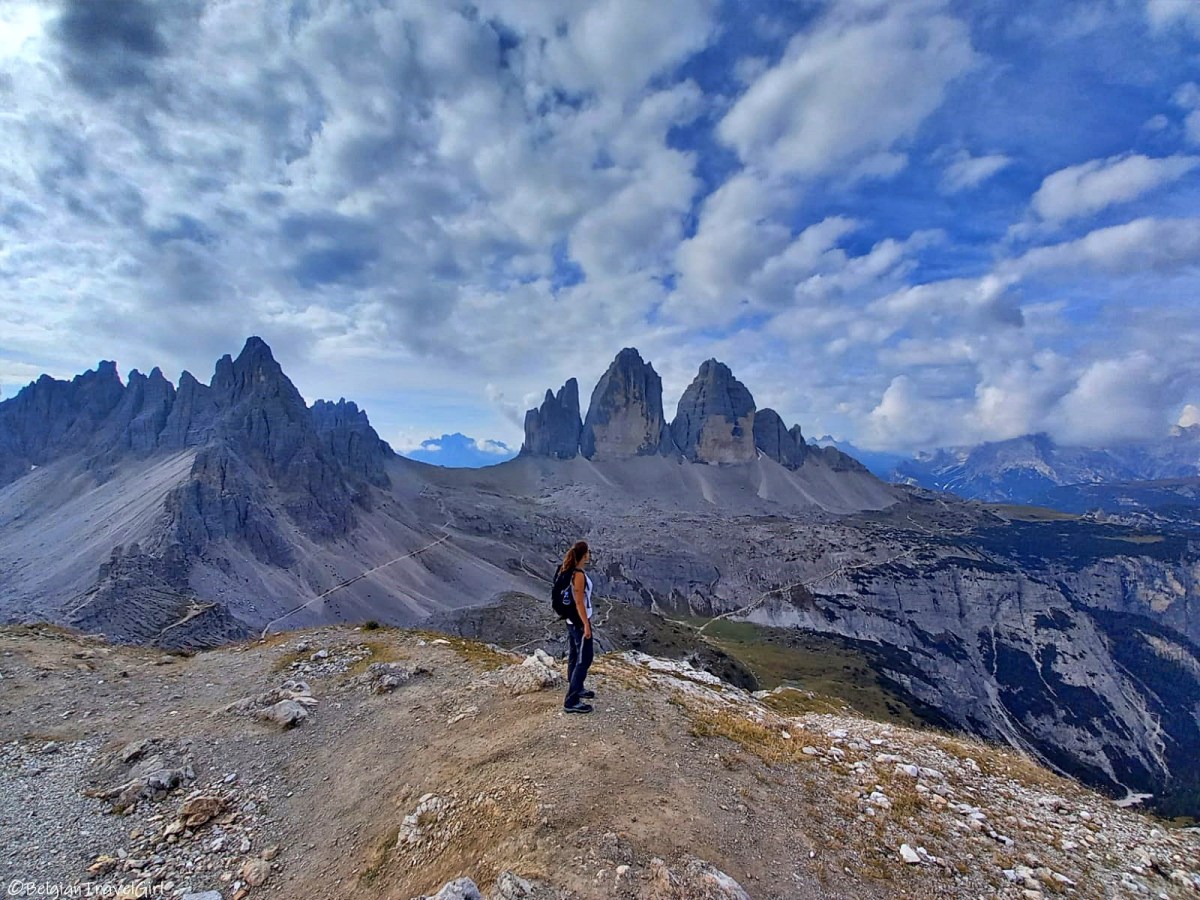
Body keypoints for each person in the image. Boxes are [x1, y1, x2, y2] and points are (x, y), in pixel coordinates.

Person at [559, 540, 595, 714]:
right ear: (584, 555)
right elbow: (579, 602)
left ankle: (576, 686)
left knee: (575, 655)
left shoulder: (570, 570)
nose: (590, 555)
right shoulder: (578, 574)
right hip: (580, 622)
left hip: (572, 621)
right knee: (585, 658)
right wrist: (586, 626)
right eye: (588, 552)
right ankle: (571, 700)